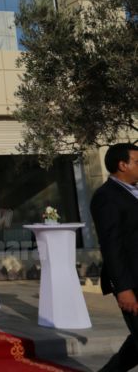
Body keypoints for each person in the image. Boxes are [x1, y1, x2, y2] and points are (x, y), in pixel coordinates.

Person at [91, 142, 138, 371]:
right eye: (137, 162)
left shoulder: (134, 191)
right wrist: (123, 288)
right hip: (133, 281)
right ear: (122, 165)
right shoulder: (106, 197)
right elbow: (111, 245)